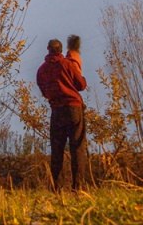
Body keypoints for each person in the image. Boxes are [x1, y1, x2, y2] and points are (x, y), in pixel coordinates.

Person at [36, 38, 88, 191]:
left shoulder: (41, 70)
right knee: (77, 147)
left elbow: (44, 91)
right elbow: (81, 85)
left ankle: (55, 188)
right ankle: (78, 187)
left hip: (56, 111)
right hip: (73, 108)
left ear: (48, 49)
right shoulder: (68, 64)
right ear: (60, 50)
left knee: (57, 149)